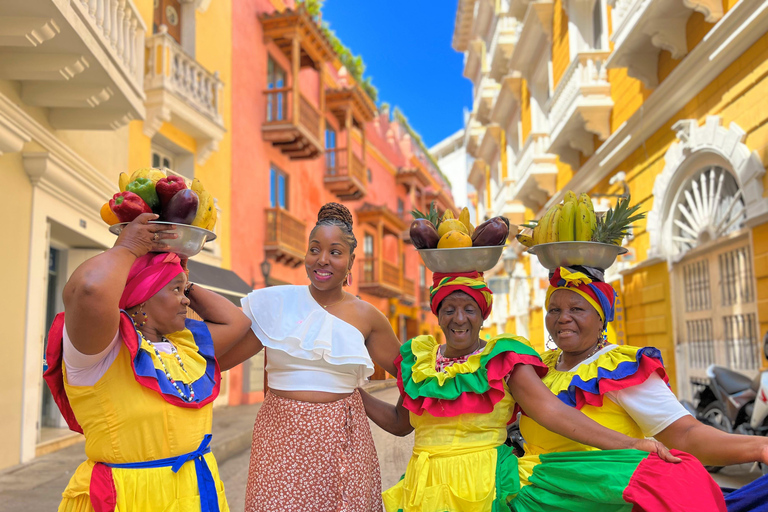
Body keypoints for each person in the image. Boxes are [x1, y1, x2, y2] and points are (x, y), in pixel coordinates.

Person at [360, 270, 727, 512]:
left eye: (469, 308)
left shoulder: (503, 358)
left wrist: (631, 445)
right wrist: (353, 397)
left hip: (488, 487)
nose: (459, 318)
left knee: (663, 483)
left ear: (483, 315)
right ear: (437, 314)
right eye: (449, 309)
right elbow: (400, 423)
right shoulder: (418, 361)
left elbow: (552, 412)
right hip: (424, 485)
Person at [44, 213, 252, 512]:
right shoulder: (101, 350)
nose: (186, 300)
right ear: (143, 296)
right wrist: (127, 249)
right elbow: (89, 288)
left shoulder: (181, 346)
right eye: (176, 291)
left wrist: (180, 277)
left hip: (193, 491)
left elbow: (237, 322)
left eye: (184, 291)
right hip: (128, 495)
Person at [523, 265, 768, 510]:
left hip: (597, 499)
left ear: (601, 318)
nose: (563, 318)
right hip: (534, 490)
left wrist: (759, 447)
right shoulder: (538, 366)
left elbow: (685, 434)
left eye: (577, 309)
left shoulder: (619, 369)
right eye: (554, 310)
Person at [216, 202, 402, 512]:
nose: (322, 259)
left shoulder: (368, 317)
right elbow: (218, 361)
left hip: (343, 447)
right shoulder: (278, 304)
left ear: (351, 261)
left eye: (335, 252)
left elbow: (413, 377)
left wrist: (383, 412)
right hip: (279, 447)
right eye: (314, 249)